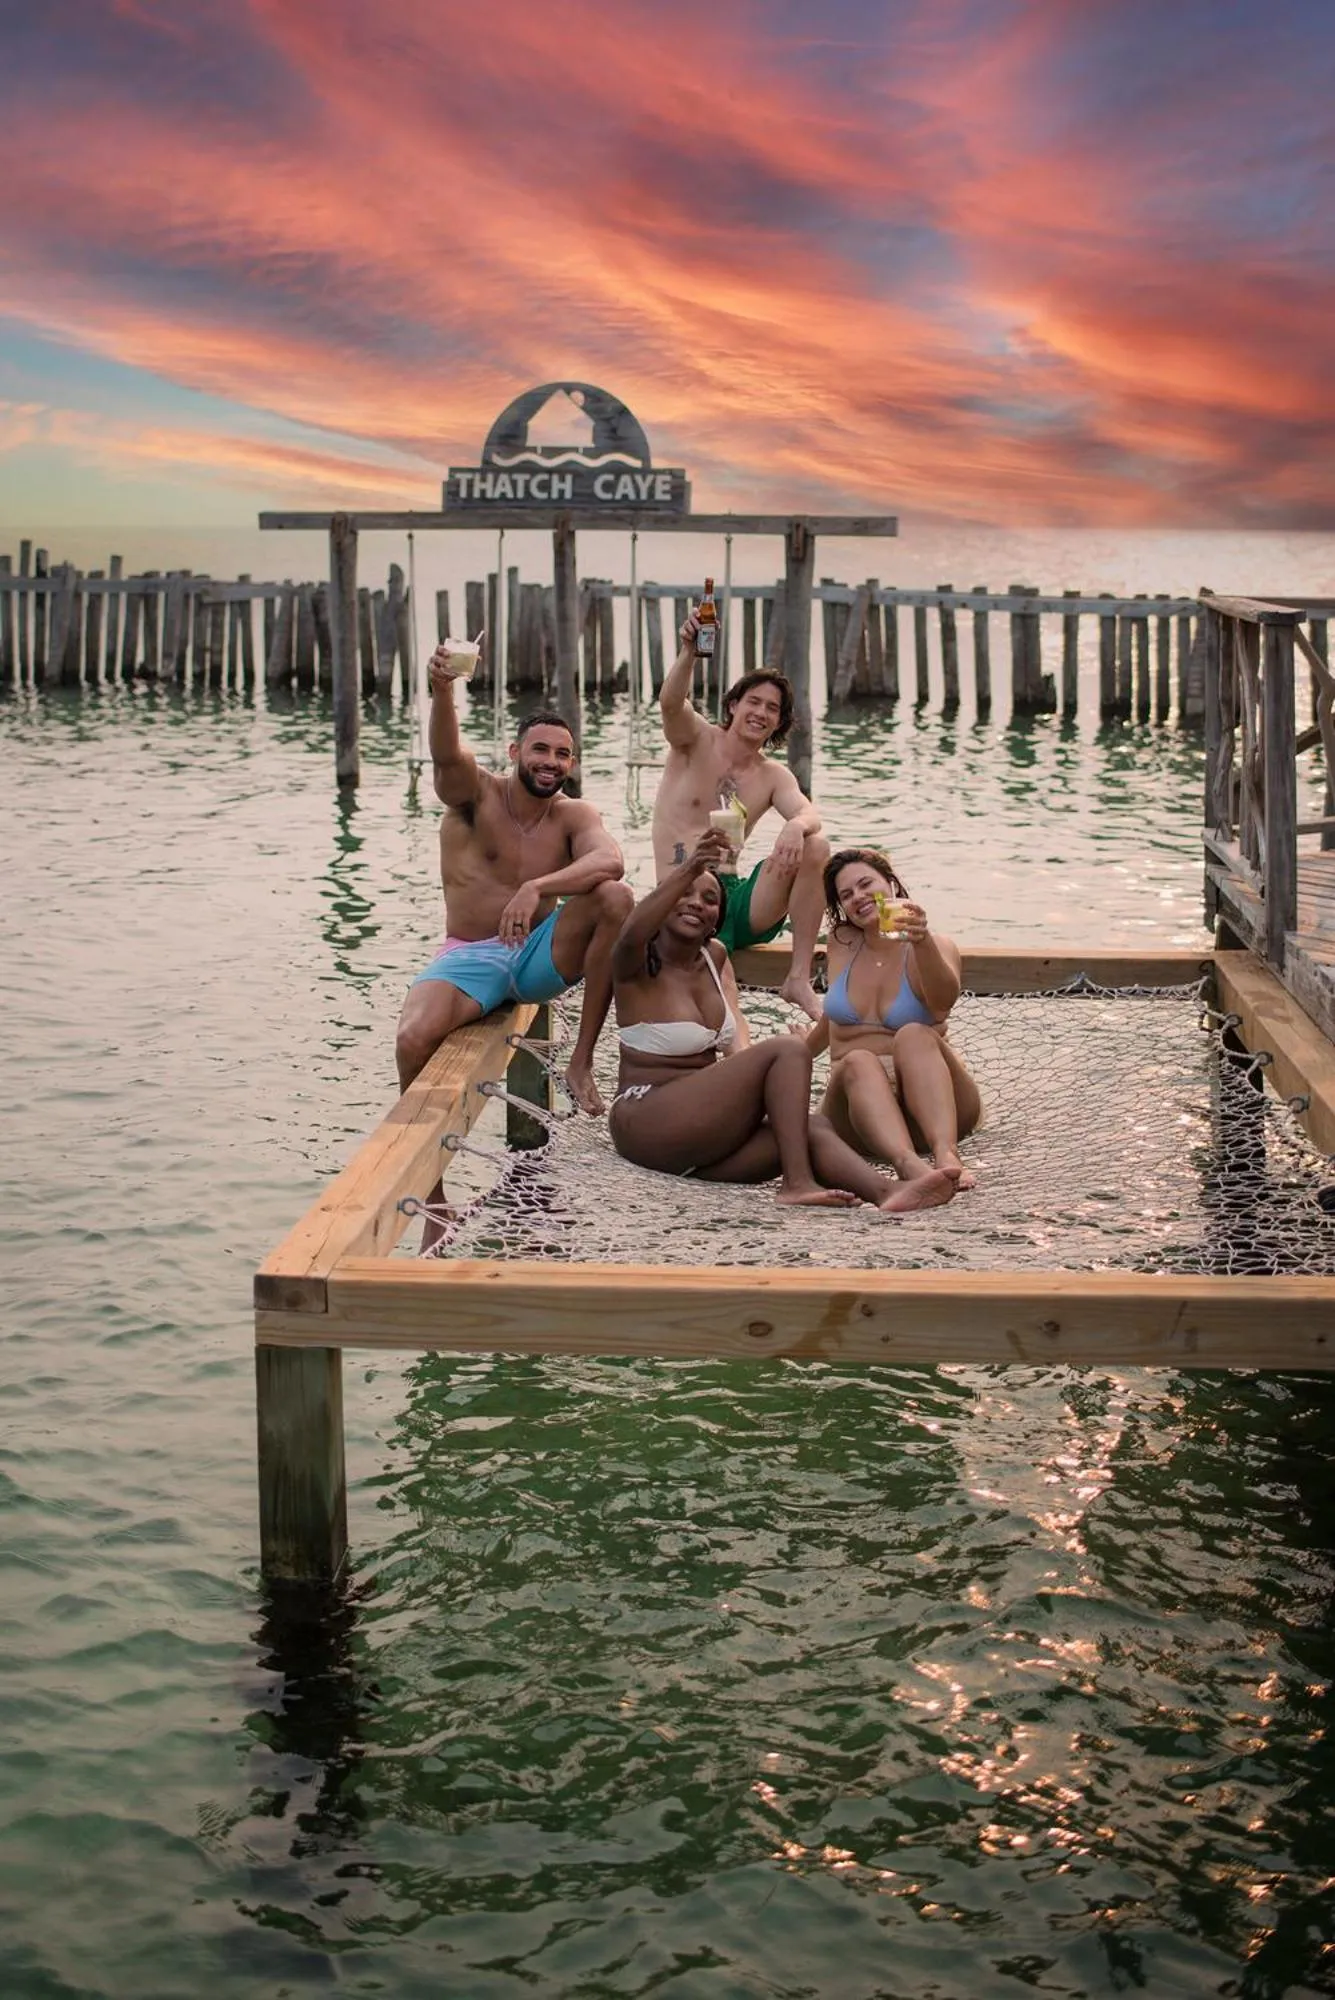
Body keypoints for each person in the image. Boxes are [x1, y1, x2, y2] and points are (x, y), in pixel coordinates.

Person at [609, 831, 954, 1211]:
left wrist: (773, 1073)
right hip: (646, 1121)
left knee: (813, 1128)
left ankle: (887, 1193)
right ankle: (797, 1183)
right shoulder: (636, 959)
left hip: (698, 1142)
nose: (696, 903)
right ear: (662, 905)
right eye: (684, 894)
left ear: (715, 923)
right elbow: (629, 934)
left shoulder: (715, 957)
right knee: (787, 1048)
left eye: (709, 899)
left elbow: (736, 1036)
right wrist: (692, 865)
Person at [395, 647, 633, 1115]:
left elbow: (611, 860)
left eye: (563, 754)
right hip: (471, 953)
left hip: (539, 955)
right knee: (412, 1037)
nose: (551, 761)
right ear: (514, 752)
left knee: (615, 897)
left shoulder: (573, 814)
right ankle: (430, 1181)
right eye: (540, 749)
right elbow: (446, 755)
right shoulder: (475, 793)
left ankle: (581, 1061)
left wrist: (538, 888)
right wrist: (442, 692)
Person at [653, 610, 830, 1022]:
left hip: (734, 896)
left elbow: (808, 812)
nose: (761, 712)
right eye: (754, 701)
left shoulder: (773, 775)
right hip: (680, 888)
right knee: (709, 1010)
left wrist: (794, 825)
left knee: (817, 846)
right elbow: (670, 702)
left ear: (778, 722)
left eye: (772, 708)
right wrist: (688, 653)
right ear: (733, 705)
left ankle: (799, 978)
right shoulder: (693, 741)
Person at [808, 847, 981, 1207]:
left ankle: (945, 1154)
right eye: (846, 894)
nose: (858, 897)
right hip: (861, 1115)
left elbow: (942, 1002)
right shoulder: (841, 943)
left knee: (915, 1034)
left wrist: (922, 942)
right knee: (856, 1058)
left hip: (933, 1105)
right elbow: (834, 1019)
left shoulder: (933, 945)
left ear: (891, 884)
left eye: (865, 883)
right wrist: (798, 1055)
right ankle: (910, 1168)